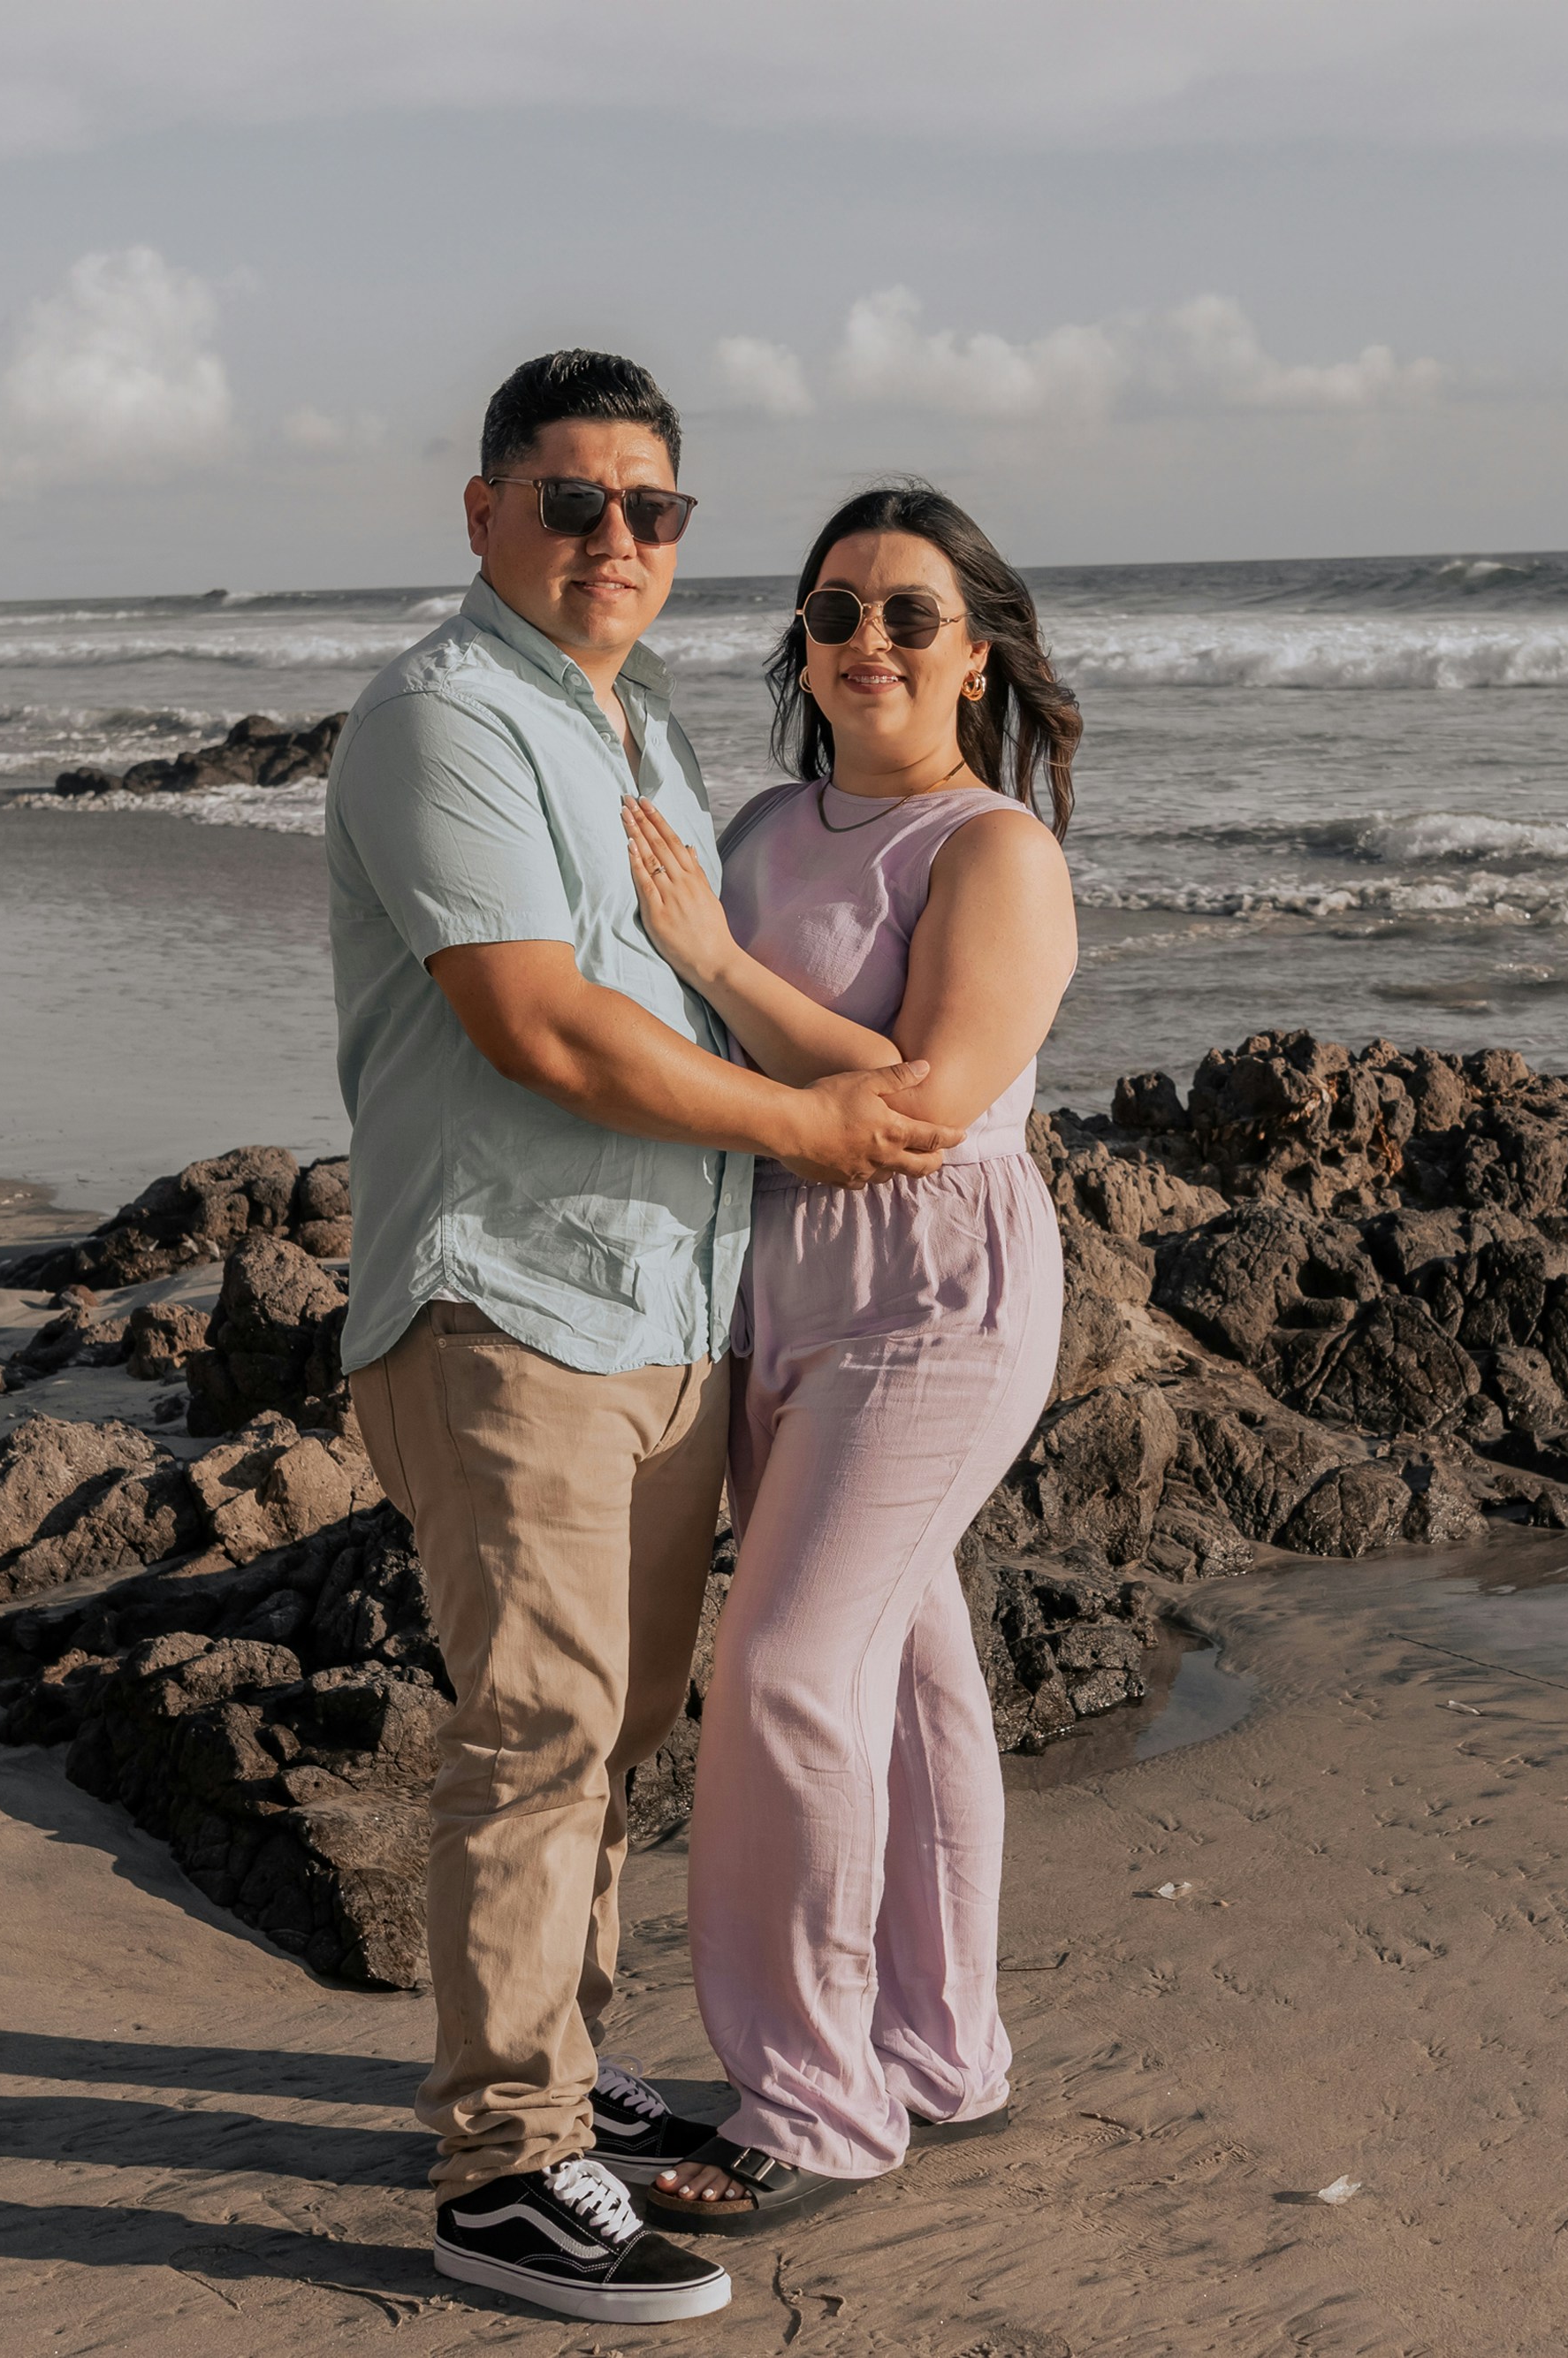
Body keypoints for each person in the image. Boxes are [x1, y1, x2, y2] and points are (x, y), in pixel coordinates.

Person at [324, 355, 963, 2324]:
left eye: (652, 508)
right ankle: (504, 2171)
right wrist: (812, 1128)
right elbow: (541, 1024)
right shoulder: (443, 719)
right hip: (506, 1299)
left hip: (665, 1309)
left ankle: (558, 2071)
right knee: (535, 1730)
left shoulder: (641, 720)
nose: (616, 536)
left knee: (608, 1734)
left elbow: (687, 984)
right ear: (484, 512)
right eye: (573, 498)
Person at [620, 481, 1083, 2234]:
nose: (864, 640)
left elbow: (923, 1100)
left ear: (977, 654)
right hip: (766, 1281)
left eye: (906, 613)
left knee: (787, 1671)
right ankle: (941, 2056)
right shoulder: (754, 824)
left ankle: (814, 2101)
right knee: (904, 1672)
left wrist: (712, 958)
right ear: (801, 648)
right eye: (832, 612)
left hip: (933, 1291)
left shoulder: (992, 850)